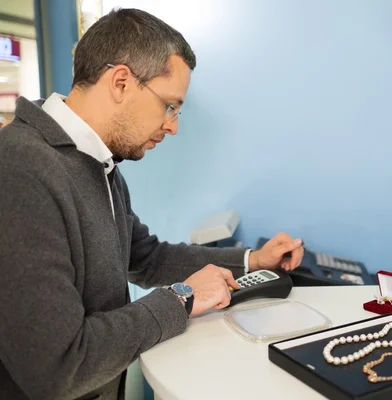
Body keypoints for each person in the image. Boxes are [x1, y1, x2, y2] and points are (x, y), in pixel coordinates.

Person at [0, 8, 304, 400]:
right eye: (169, 106)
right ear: (121, 82)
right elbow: (59, 365)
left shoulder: (99, 164)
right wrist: (179, 299)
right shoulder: (21, 169)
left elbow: (146, 257)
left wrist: (253, 261)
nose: (173, 126)